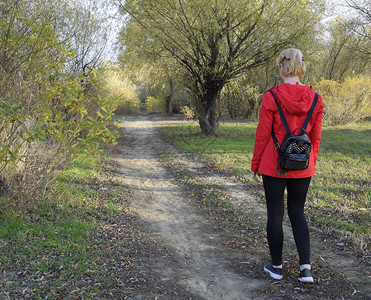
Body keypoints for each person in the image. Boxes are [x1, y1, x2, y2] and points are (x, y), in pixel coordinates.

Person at [251, 48, 323, 283]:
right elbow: (316, 137)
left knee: (275, 212)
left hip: (274, 164)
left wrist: (255, 163)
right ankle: (305, 270)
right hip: (304, 164)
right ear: (301, 67)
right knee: (298, 212)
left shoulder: (271, 96)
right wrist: (312, 161)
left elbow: (263, 134)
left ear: (282, 67)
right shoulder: (316, 98)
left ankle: (277, 268)